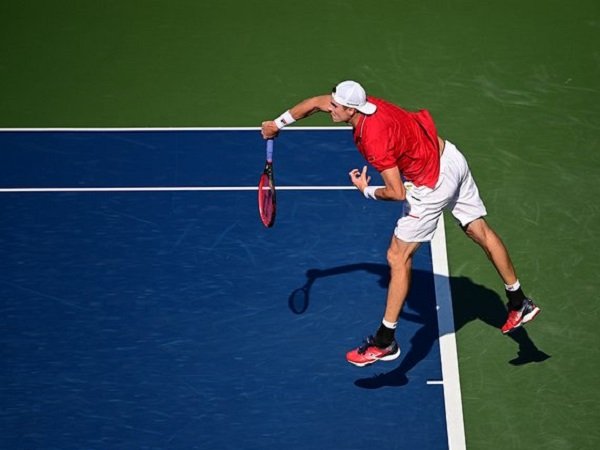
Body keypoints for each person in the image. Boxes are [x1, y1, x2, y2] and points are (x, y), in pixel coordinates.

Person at [261, 80, 540, 367]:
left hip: (432, 185)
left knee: (398, 256)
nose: (329, 108)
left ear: (351, 109)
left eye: (336, 106)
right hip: (450, 157)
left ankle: (385, 341)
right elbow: (314, 103)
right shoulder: (369, 106)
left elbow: (397, 192)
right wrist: (278, 124)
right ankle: (519, 302)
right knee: (478, 230)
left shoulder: (373, 140)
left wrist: (366, 190)